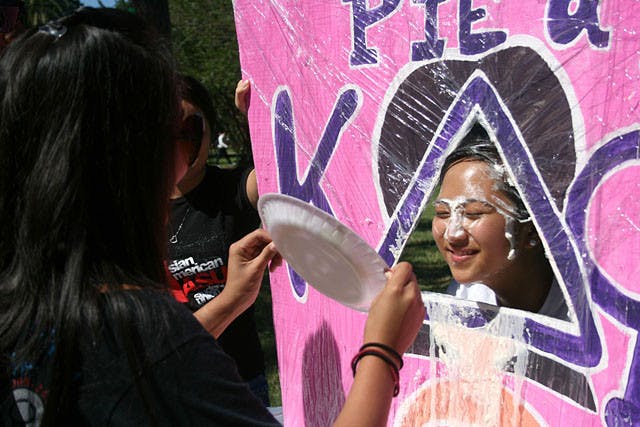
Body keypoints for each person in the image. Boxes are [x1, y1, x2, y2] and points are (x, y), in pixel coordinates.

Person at [0, 7, 425, 425]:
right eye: (180, 135)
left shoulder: (23, 315)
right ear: (131, 161)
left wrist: (230, 301)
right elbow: (153, 362)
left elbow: (146, 369)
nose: (183, 164)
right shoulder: (139, 335)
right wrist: (382, 351)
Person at [167, 74, 269, 405]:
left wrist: (259, 117)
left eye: (190, 131)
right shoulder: (132, 210)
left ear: (211, 130)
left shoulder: (232, 190)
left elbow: (280, 177)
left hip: (240, 381)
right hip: (171, 389)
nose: (178, 145)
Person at [433, 123, 570, 320]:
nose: (452, 235)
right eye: (443, 213)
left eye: (473, 213)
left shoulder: (582, 316)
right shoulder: (465, 297)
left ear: (532, 229)